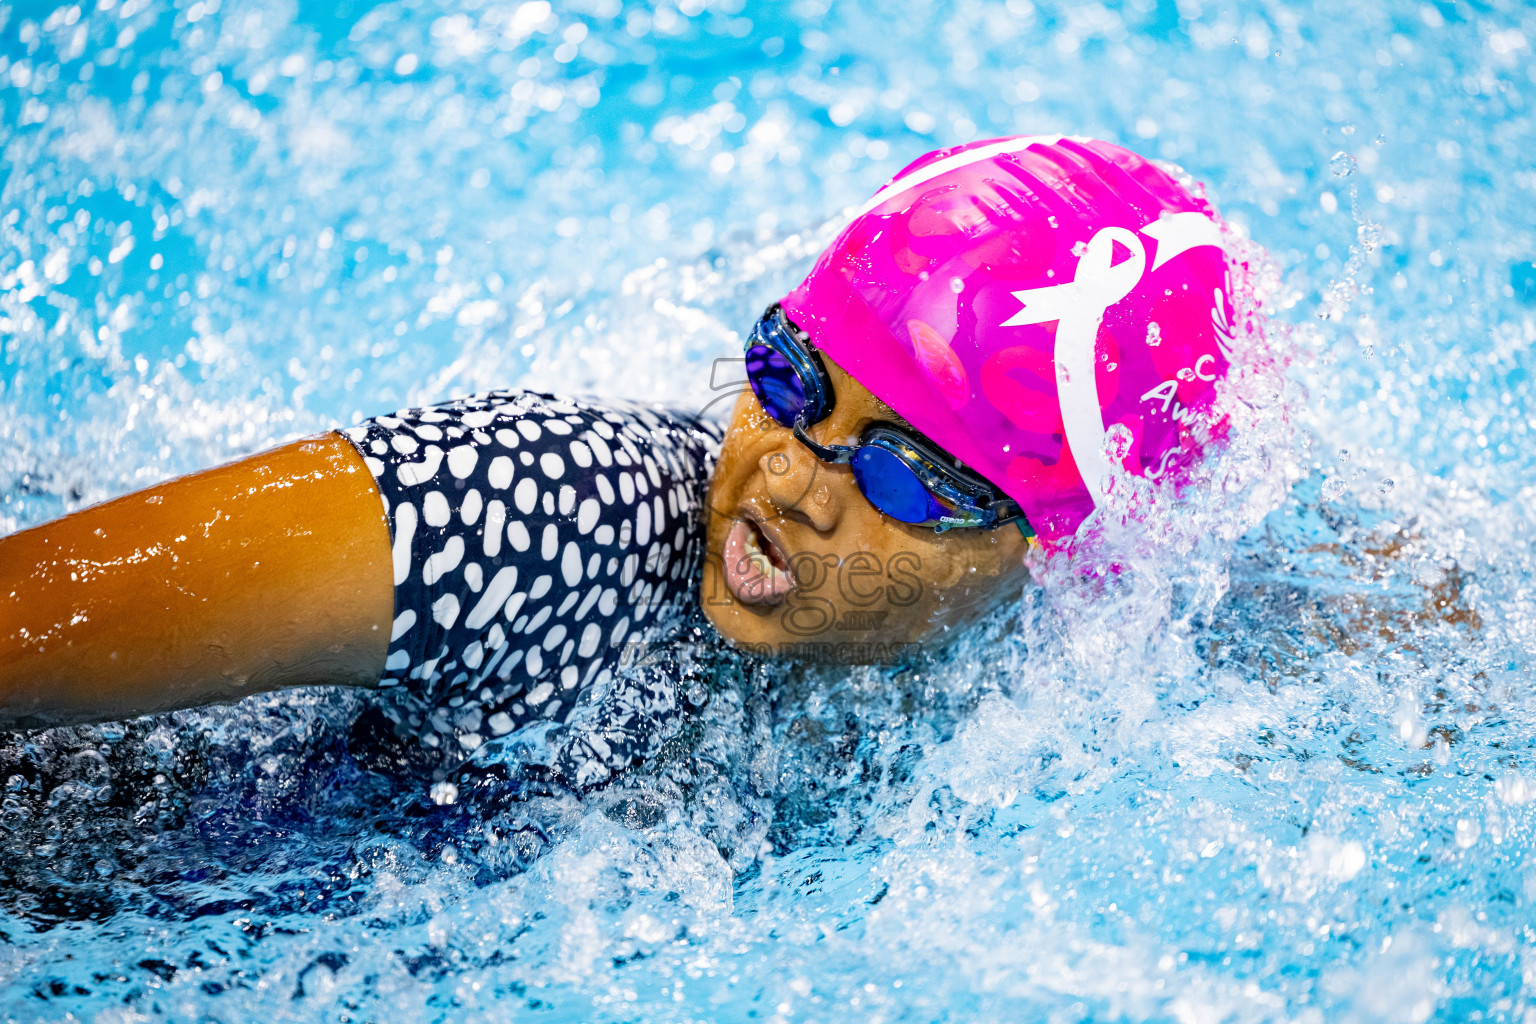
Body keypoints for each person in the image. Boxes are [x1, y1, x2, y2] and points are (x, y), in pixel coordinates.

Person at [0, 136, 1249, 788]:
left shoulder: (1080, 667)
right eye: (789, 377)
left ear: (1065, 555)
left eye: (912, 477)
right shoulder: (552, 509)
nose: (795, 482)